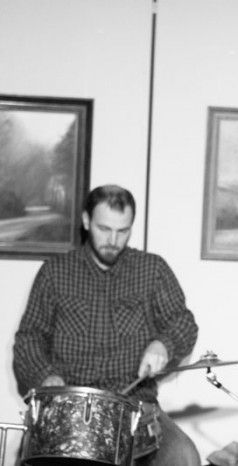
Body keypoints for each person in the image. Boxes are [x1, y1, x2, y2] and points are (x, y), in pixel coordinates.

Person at [13, 184, 201, 466]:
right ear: (86, 221)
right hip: (70, 407)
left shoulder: (152, 270)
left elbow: (183, 322)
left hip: (136, 407)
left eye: (122, 231)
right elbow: (30, 337)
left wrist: (163, 344)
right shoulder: (55, 272)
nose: (113, 240)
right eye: (104, 229)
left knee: (183, 454)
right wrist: (46, 378)